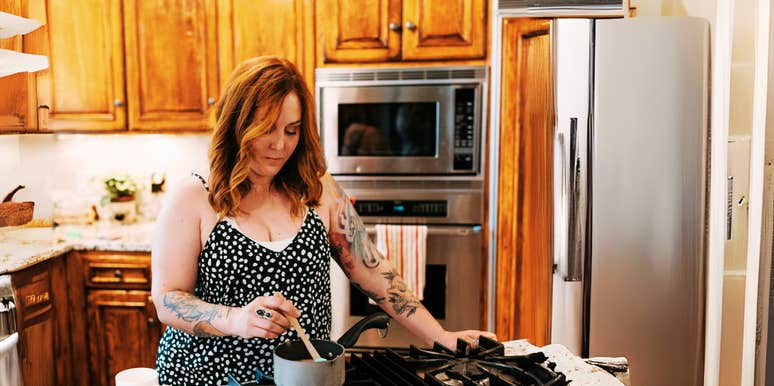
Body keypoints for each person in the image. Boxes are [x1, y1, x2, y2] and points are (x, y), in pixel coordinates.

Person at [151, 56, 495, 385]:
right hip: (207, 376)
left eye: (292, 130)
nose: (279, 145)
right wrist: (234, 319)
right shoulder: (195, 197)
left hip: (306, 376)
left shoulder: (317, 190)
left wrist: (440, 336)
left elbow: (372, 271)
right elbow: (167, 298)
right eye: (267, 129)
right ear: (237, 126)